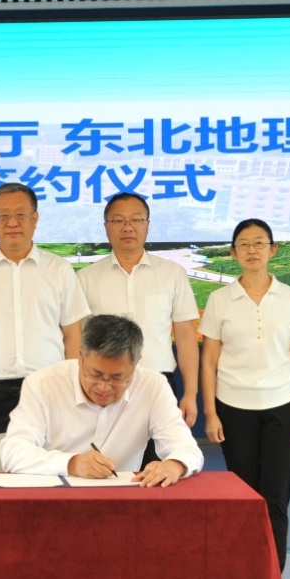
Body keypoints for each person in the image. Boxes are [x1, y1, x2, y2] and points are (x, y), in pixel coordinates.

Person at [199, 218, 290, 579]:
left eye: (260, 243)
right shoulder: (220, 300)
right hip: (234, 409)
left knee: (276, 499)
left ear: (273, 249)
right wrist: (211, 411)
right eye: (244, 244)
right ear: (233, 253)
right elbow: (209, 360)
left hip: (283, 406)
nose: (252, 250)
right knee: (244, 499)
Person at [0, 183, 90, 471]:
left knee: (47, 472)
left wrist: (74, 391)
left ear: (35, 218)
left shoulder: (59, 269)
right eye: (3, 216)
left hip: (49, 390)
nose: (12, 222)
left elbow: (72, 336)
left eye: (21, 214)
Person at [0, 314, 203, 486]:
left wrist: (174, 465)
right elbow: (12, 452)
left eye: (117, 378)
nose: (104, 387)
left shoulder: (152, 386)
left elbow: (187, 449)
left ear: (135, 364)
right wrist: (72, 464)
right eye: (95, 374)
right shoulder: (43, 384)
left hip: (121, 501)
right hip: (53, 497)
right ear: (80, 356)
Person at [77, 192, 200, 464]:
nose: (128, 227)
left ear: (147, 224)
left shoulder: (172, 274)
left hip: (159, 384)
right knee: (107, 466)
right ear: (106, 226)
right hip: (104, 386)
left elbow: (185, 337)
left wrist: (190, 393)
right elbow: (78, 342)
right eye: (118, 220)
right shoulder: (86, 278)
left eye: (136, 220)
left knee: (158, 468)